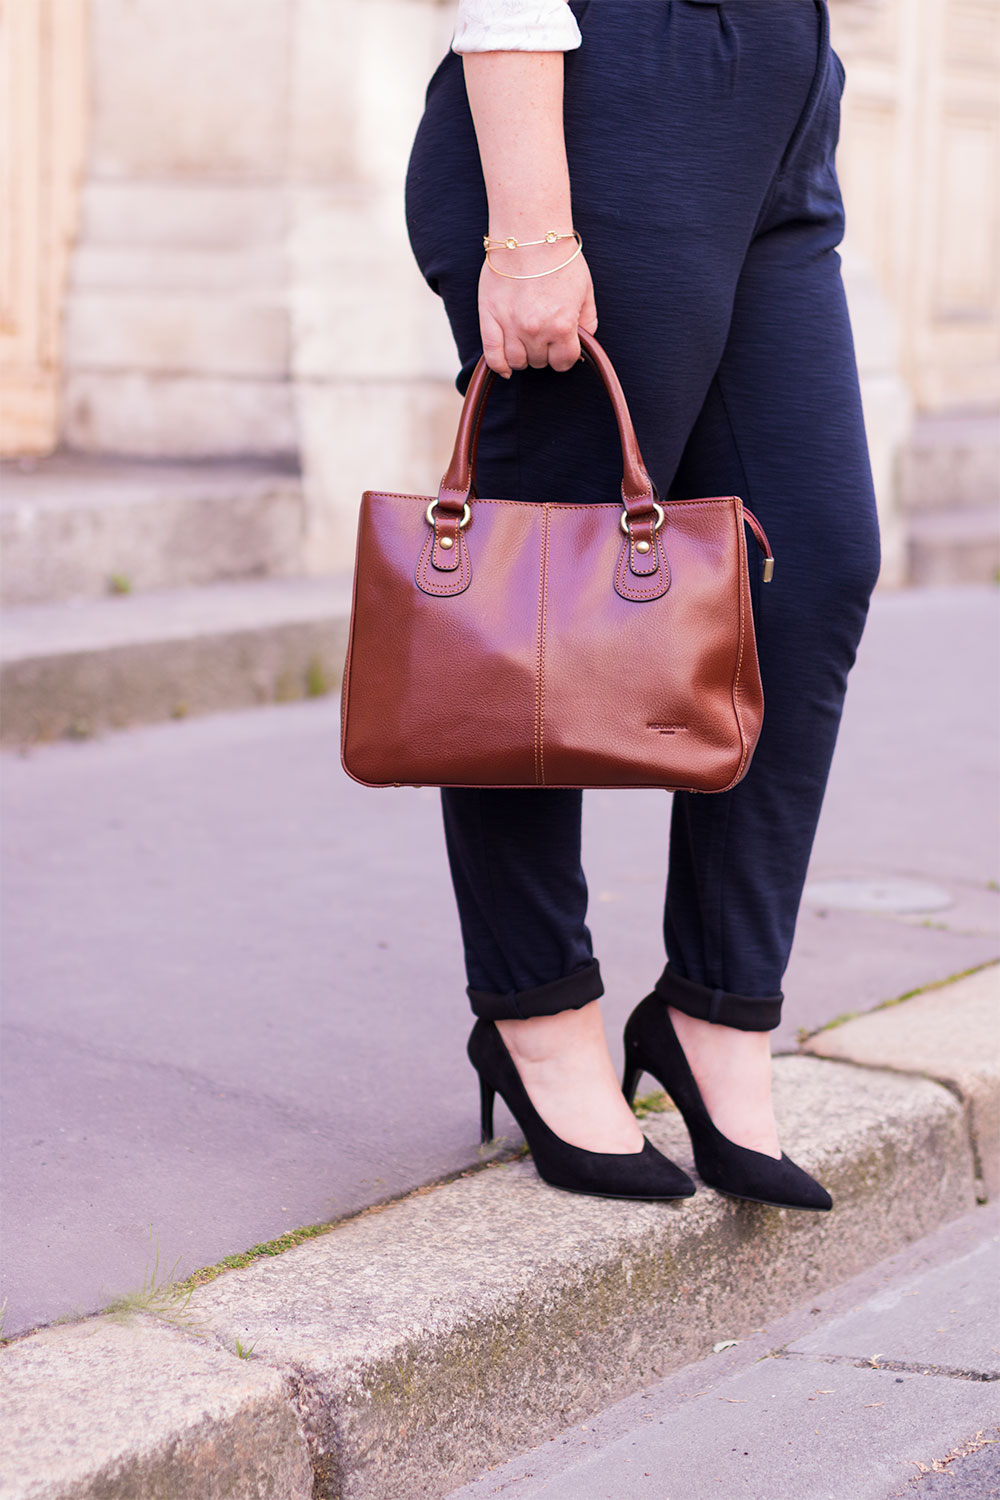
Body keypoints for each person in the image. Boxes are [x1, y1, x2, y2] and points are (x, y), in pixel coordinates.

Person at [403, 0, 881, 1210]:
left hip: (777, 103)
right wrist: (526, 234)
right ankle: (536, 1010)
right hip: (607, 85)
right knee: (539, 594)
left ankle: (713, 1008)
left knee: (813, 567)